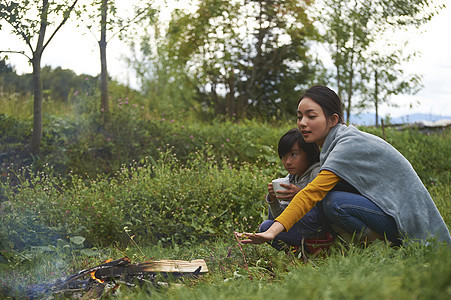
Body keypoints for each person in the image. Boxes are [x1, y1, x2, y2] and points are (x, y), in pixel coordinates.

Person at [237, 85, 451, 246]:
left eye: (311, 116)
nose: (302, 123)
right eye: (300, 116)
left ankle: (379, 249)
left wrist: (272, 232)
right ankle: (340, 248)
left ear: (333, 120)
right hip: (386, 214)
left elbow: (312, 193)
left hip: (407, 223)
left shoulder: (347, 145)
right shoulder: (333, 144)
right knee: (327, 201)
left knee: (334, 202)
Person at [260, 128, 332, 252]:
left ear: (309, 153)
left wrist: (299, 195)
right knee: (266, 227)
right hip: (302, 231)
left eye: (293, 154)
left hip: (321, 231)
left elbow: (326, 207)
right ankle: (300, 252)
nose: (287, 162)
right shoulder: (291, 178)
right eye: (283, 156)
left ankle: (322, 246)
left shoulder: (318, 172)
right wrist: (273, 200)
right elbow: (280, 219)